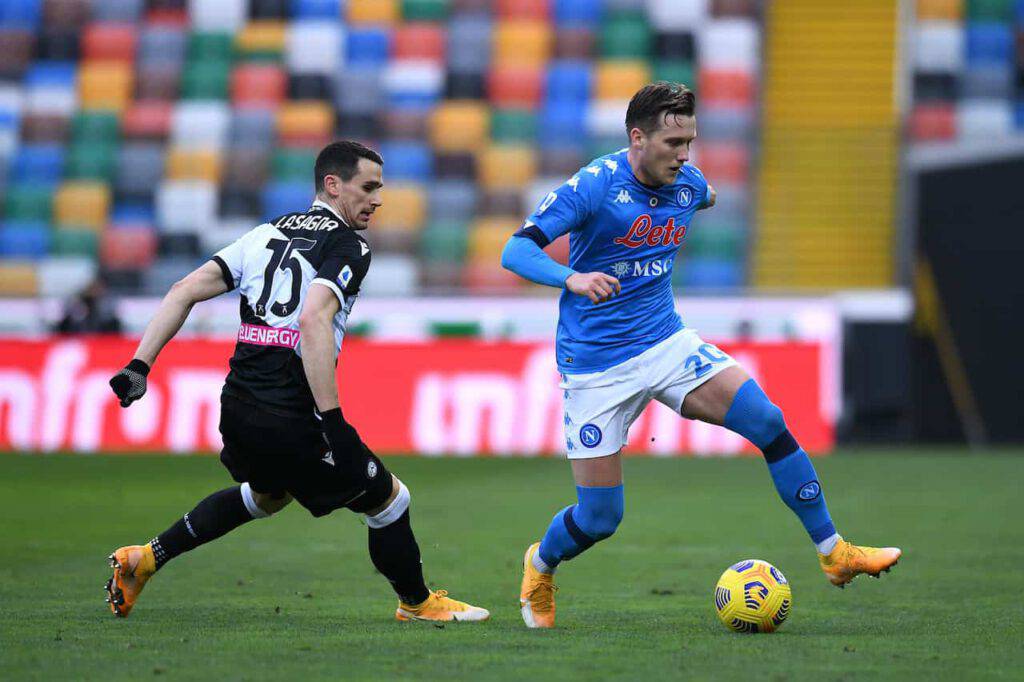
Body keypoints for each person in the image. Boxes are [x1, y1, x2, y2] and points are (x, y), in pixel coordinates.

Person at [501, 82, 901, 629]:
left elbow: (702, 194)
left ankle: (834, 553)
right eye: (672, 142)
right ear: (636, 138)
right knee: (600, 517)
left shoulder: (688, 182)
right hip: (596, 365)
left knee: (768, 420)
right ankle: (540, 564)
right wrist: (571, 277)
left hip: (666, 341)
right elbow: (515, 249)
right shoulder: (593, 186)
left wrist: (699, 189)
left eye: (690, 141)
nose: (684, 154)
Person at [105, 141, 488, 623]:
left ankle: (145, 558)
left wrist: (139, 366)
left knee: (267, 495)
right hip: (290, 412)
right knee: (390, 500)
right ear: (333, 185)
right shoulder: (349, 245)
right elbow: (313, 321)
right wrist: (333, 422)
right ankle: (416, 603)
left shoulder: (264, 234)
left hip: (239, 406)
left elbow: (183, 291)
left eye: (380, 189)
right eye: (368, 187)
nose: (377, 199)